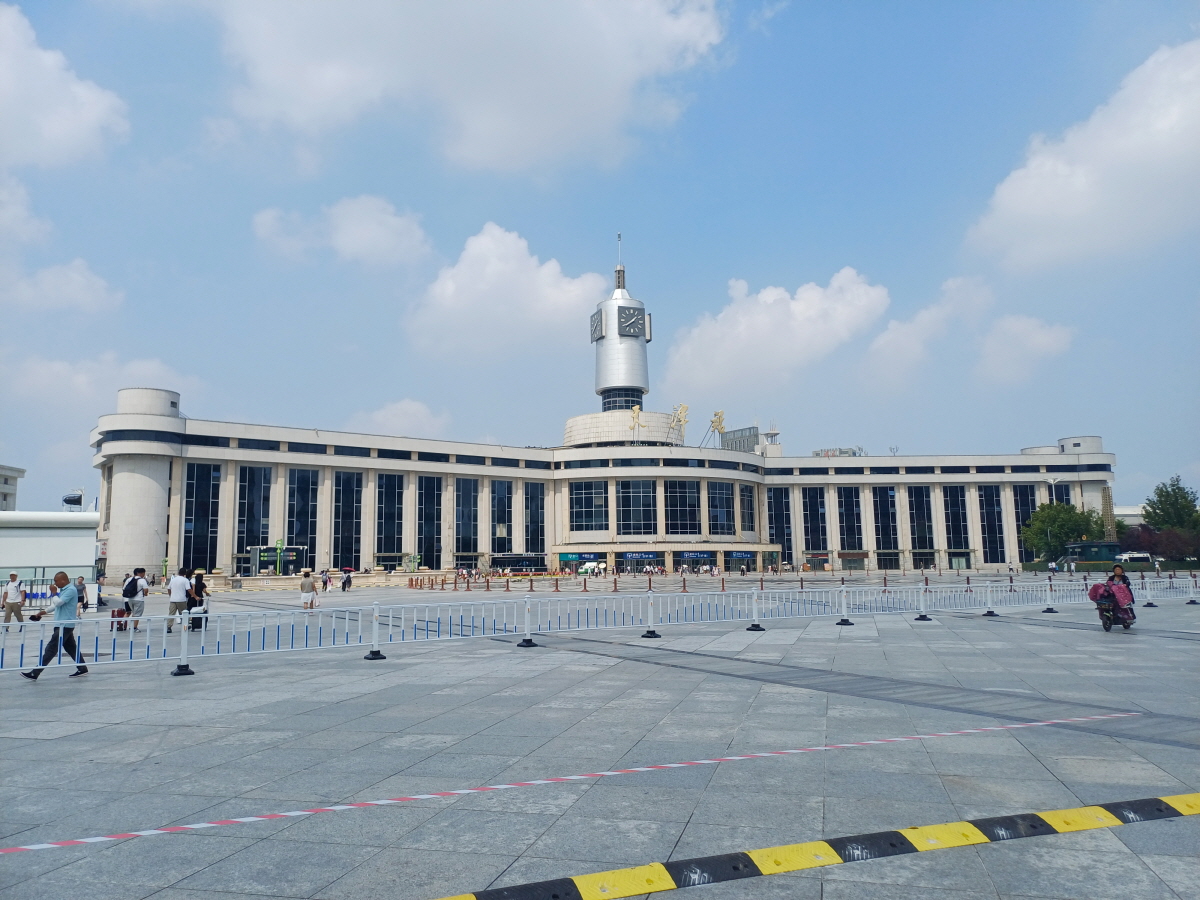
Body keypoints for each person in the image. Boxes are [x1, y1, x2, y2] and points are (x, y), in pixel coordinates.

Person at [21, 571, 88, 679]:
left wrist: (54, 593)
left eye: (56, 581)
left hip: (64, 624)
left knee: (51, 648)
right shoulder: (64, 590)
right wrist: (41, 613)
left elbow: (58, 602)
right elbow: (55, 605)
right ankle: (82, 668)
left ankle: (35, 672)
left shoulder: (70, 590)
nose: (55, 583)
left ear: (63, 580)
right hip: (63, 624)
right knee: (71, 648)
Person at [165, 567, 192, 633]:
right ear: (185, 573)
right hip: (181, 599)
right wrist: (195, 596)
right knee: (183, 614)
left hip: (173, 600)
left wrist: (170, 595)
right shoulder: (185, 580)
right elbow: (189, 589)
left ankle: (169, 627)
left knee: (171, 614)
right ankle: (185, 625)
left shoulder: (173, 580)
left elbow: (169, 588)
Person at [123, 567, 149, 632]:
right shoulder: (142, 580)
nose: (144, 574)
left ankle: (125, 625)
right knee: (137, 614)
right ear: (140, 573)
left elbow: (124, 588)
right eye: (143, 573)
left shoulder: (129, 579)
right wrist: (145, 594)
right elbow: (146, 589)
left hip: (130, 599)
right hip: (139, 599)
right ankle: (134, 627)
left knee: (132, 613)